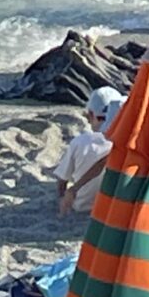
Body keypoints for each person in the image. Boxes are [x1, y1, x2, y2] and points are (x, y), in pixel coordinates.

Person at [54, 86, 124, 214]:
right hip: (113, 209)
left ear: (90, 115)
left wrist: (63, 198)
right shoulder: (125, 142)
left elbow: (62, 181)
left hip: (82, 207)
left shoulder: (80, 142)